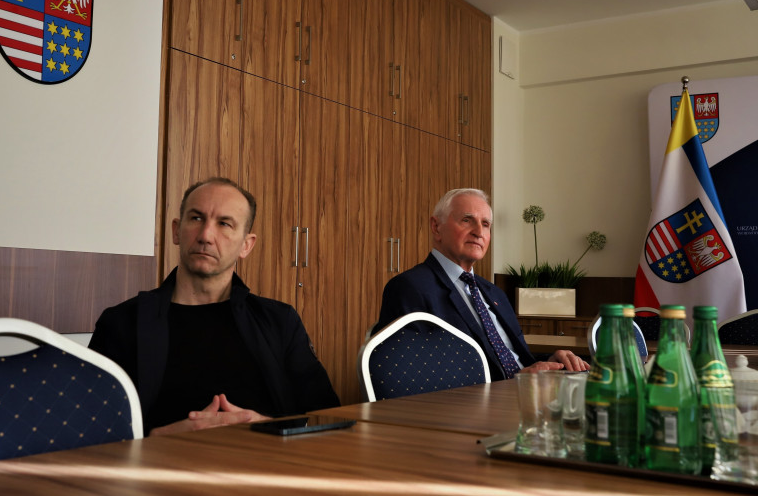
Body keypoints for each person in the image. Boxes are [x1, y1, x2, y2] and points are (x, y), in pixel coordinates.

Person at [89, 177, 339, 436]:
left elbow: (328, 418)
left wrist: (271, 429)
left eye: (224, 223)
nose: (206, 236)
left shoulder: (280, 322)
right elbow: (89, 431)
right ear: (176, 231)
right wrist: (155, 439)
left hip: (265, 458)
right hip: (158, 460)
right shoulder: (121, 323)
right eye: (196, 218)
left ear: (246, 245)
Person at [373, 188, 589, 380]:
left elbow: (516, 359)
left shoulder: (494, 293)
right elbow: (412, 377)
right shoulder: (410, 288)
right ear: (436, 227)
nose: (478, 231)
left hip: (527, 395)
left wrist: (552, 362)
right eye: (467, 220)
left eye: (485, 224)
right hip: (477, 405)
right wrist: (513, 384)